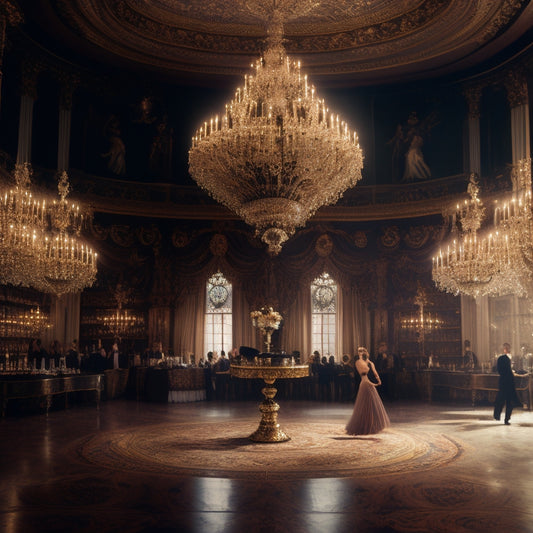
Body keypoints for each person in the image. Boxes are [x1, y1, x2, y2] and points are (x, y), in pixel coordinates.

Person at [346, 346, 390, 435]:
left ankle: (374, 425)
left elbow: (375, 372)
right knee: (364, 404)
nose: (361, 353)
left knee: (372, 404)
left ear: (366, 353)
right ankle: (364, 425)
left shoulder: (370, 363)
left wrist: (378, 380)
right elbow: (363, 372)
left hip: (368, 383)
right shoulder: (358, 362)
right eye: (360, 352)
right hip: (365, 383)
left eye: (363, 352)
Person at [494, 343, 521, 425]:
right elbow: (502, 370)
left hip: (505, 382)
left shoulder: (503, 358)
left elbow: (499, 370)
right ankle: (502, 418)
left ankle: (501, 417)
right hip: (507, 382)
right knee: (506, 401)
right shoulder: (503, 358)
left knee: (504, 401)